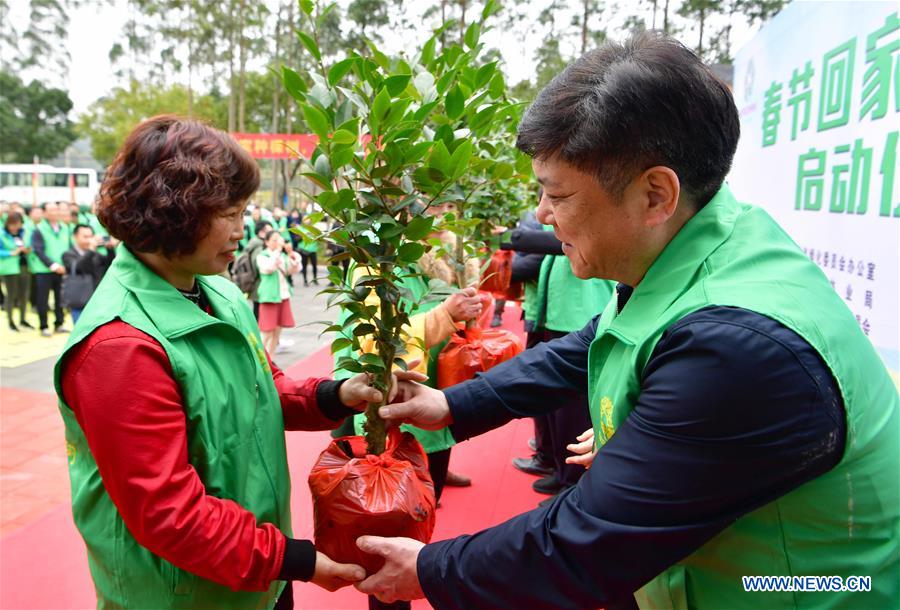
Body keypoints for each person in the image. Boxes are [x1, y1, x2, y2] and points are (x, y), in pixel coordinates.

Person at [352, 32, 899, 610]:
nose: (540, 215)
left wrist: (431, 569)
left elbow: (586, 543)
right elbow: (592, 342)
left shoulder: (738, 346)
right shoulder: (700, 246)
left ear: (656, 195)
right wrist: (452, 405)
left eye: (556, 194)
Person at [54, 115, 427, 609]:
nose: (241, 229)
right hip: (182, 593)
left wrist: (336, 395)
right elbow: (170, 514)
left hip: (255, 572)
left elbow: (261, 386)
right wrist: (297, 561)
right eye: (230, 214)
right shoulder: (119, 348)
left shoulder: (219, 293)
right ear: (176, 213)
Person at [30, 201, 71, 336]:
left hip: (62, 269)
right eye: (51, 210)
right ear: (45, 213)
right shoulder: (39, 229)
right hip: (44, 270)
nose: (55, 213)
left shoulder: (65, 228)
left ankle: (59, 323)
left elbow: (69, 247)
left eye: (56, 210)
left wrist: (66, 265)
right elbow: (38, 250)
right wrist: (53, 265)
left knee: (61, 298)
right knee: (43, 299)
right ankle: (43, 326)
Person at [60, 224, 117, 323]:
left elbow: (109, 266)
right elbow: (79, 266)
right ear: (75, 237)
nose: (89, 240)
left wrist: (110, 249)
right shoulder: (68, 254)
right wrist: (91, 250)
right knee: (80, 333)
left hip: (97, 299)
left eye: (91, 236)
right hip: (80, 301)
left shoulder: (95, 254)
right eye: (85, 237)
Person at [256, 229, 301, 355]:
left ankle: (271, 359)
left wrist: (290, 253)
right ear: (267, 242)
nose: (277, 242)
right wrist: (277, 251)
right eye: (274, 240)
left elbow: (293, 269)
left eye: (279, 239)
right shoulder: (262, 256)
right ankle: (260, 359)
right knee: (266, 331)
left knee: (277, 330)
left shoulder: (282, 255)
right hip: (269, 297)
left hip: (283, 296)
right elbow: (268, 268)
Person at [0, 212, 33, 330]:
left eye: (17, 224)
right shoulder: (2, 234)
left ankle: (23, 319)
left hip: (24, 266)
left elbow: (31, 245)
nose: (14, 227)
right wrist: (11, 253)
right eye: (12, 224)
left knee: (24, 295)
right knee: (11, 296)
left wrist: (28, 249)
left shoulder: (24, 233)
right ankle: (10, 322)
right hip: (9, 269)